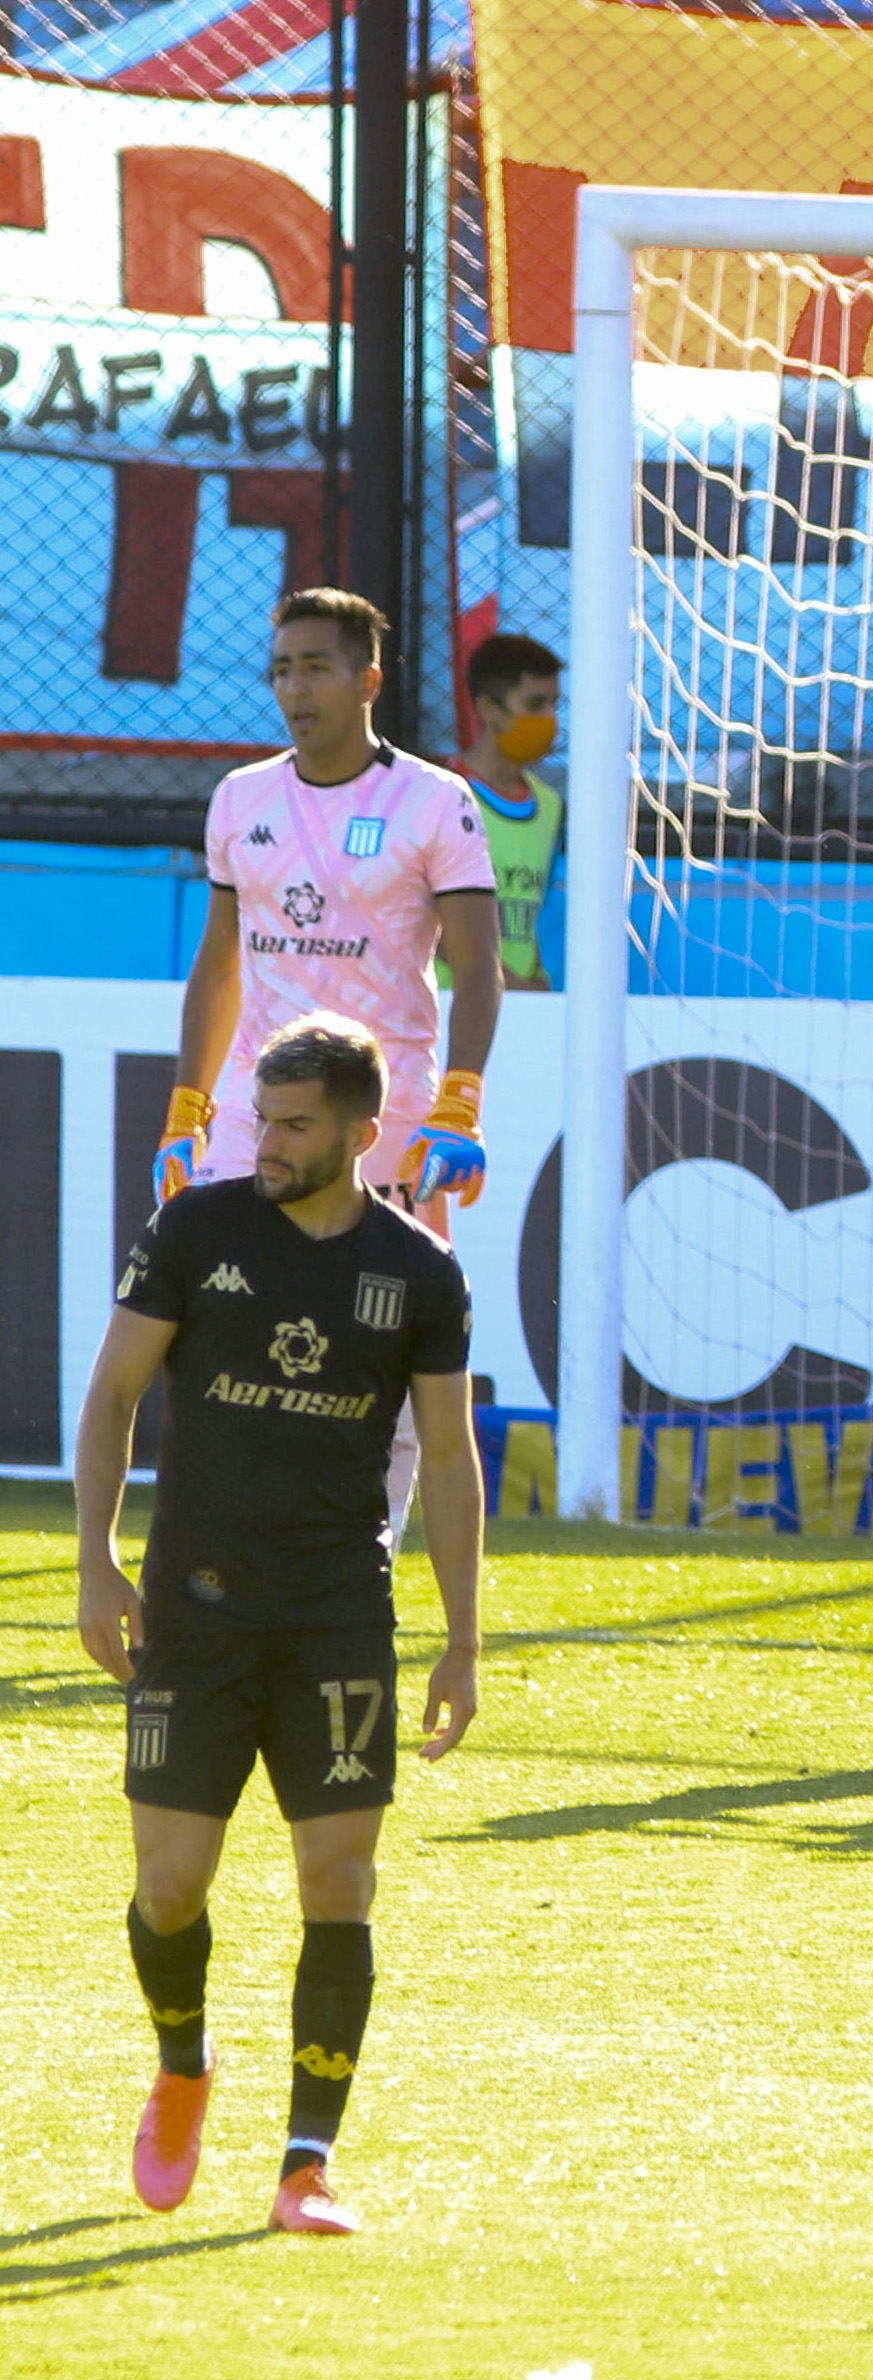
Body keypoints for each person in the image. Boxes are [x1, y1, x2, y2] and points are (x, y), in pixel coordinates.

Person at [76, 1016, 484, 2237]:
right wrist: (96, 1560)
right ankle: (184, 2064)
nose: (269, 1143)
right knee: (170, 1888)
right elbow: (112, 1396)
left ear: (366, 1133)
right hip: (193, 1618)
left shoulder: (419, 1272)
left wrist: (462, 1640)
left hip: (335, 1620)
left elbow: (452, 1467)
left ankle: (306, 2167)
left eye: (296, 1126)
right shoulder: (196, 1230)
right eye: (263, 1118)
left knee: (338, 1882)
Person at [155, 590, 502, 1533]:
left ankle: (364, 1558)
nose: (294, 686)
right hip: (249, 1111)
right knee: (211, 1318)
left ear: (368, 680)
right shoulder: (241, 797)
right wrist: (188, 1110)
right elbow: (221, 962)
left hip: (388, 1119)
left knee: (384, 1343)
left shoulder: (435, 802)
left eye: (316, 665)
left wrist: (458, 1110)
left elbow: (479, 967)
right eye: (281, 668)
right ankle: (214, 1550)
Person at [458, 631, 564, 992]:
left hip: (518, 1005)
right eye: (535, 705)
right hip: (449, 1004)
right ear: (489, 709)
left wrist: (534, 976)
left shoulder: (549, 804)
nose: (549, 720)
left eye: (554, 705)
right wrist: (506, 982)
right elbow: (425, 917)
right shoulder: (445, 793)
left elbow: (528, 914)